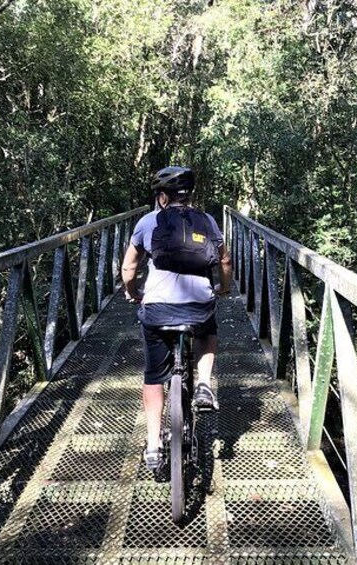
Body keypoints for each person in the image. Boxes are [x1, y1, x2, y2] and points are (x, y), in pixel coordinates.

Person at [121, 166, 233, 471]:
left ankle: (155, 446)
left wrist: (133, 293)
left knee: (153, 375)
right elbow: (224, 259)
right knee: (208, 330)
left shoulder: (147, 222)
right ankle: (204, 384)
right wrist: (223, 287)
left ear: (162, 198)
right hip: (199, 306)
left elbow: (129, 268)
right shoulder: (208, 221)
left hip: (156, 309)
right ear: (189, 196)